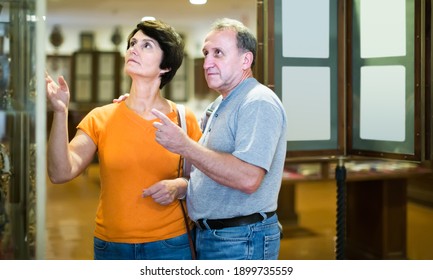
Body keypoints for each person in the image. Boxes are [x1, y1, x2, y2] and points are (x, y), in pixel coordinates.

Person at [46, 19, 202, 260]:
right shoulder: (101, 117)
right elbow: (60, 173)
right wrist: (60, 112)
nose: (133, 49)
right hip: (111, 246)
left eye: (146, 45)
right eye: (132, 43)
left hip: (172, 244)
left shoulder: (183, 119)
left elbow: (207, 180)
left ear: (166, 66)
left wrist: (180, 187)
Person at [151, 18, 287, 260]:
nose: (207, 63)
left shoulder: (257, 102)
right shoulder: (221, 103)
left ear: (246, 60)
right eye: (205, 53)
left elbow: (248, 178)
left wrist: (185, 145)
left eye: (218, 53)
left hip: (241, 239)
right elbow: (212, 166)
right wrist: (185, 187)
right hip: (217, 236)